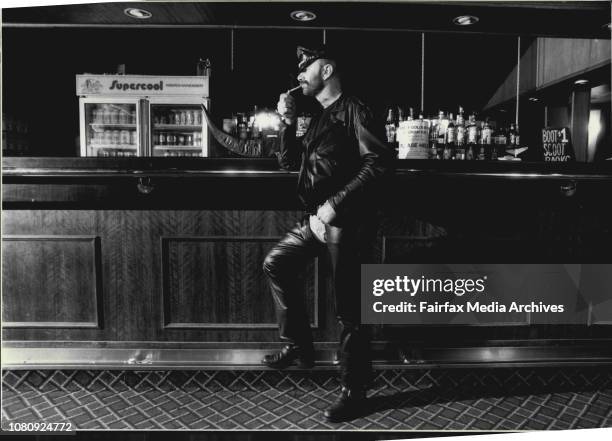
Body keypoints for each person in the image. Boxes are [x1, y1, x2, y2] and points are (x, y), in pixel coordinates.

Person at [261, 44, 394, 422]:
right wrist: (286, 123)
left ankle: (355, 391)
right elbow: (289, 162)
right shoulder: (319, 117)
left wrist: (336, 203)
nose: (299, 74)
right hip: (317, 220)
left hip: (347, 219)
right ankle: (299, 347)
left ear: (328, 69)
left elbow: (379, 163)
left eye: (306, 67)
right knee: (277, 263)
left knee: (349, 310)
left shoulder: (356, 109)